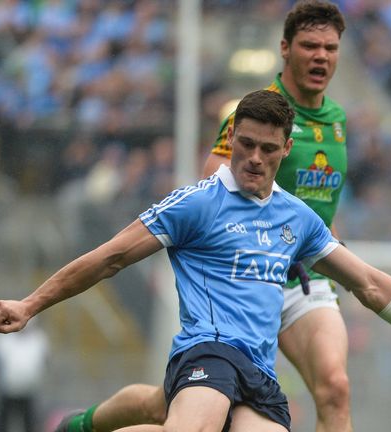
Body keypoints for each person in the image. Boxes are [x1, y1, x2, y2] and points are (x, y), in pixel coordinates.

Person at [0, 90, 391, 432]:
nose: (254, 158)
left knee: (161, 408)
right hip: (208, 353)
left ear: (286, 150)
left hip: (260, 374)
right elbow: (111, 257)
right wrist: (30, 304)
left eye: (268, 149)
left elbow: (370, 284)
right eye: (245, 145)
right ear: (232, 143)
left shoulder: (298, 218)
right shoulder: (197, 204)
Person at [69, 1, 359, 430]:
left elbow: (320, 204)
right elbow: (214, 182)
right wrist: (262, 230)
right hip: (243, 272)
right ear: (285, 48)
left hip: (303, 277)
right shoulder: (261, 113)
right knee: (165, 406)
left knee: (334, 386)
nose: (320, 56)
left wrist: (332, 247)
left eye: (330, 47)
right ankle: (87, 424)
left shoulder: (337, 120)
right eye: (310, 45)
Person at [0, 318, 50, 432]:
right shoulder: (2, 337)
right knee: (2, 423)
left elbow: (44, 361)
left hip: (30, 390)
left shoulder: (39, 338)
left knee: (30, 423)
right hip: (6, 389)